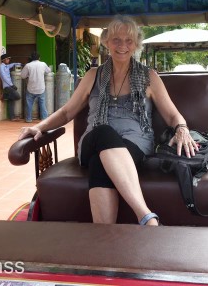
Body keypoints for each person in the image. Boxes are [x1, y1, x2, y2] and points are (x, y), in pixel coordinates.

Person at [18, 17, 197, 226]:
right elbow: (67, 112)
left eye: (129, 40)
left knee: (100, 163)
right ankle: (145, 214)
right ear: (107, 42)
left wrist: (182, 128)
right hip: (93, 138)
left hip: (135, 143)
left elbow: (172, 115)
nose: (122, 46)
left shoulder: (149, 76)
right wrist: (38, 126)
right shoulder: (93, 75)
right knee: (103, 131)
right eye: (116, 40)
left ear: (136, 44)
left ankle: (105, 239)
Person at [20, 51, 51, 123]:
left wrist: (28, 75)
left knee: (29, 104)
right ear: (39, 58)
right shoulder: (43, 64)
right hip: (41, 88)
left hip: (31, 88)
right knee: (42, 104)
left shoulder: (28, 65)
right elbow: (48, 71)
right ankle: (44, 119)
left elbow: (22, 76)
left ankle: (28, 119)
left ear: (31, 58)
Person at [0, 53, 20, 121]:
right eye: (7, 59)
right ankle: (5, 96)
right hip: (7, 86)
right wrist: (12, 85)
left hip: (9, 86)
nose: (9, 60)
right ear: (3, 60)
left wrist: (19, 64)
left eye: (9, 59)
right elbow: (4, 77)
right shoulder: (1, 67)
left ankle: (12, 117)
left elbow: (12, 64)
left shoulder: (6, 66)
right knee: (17, 96)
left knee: (11, 101)